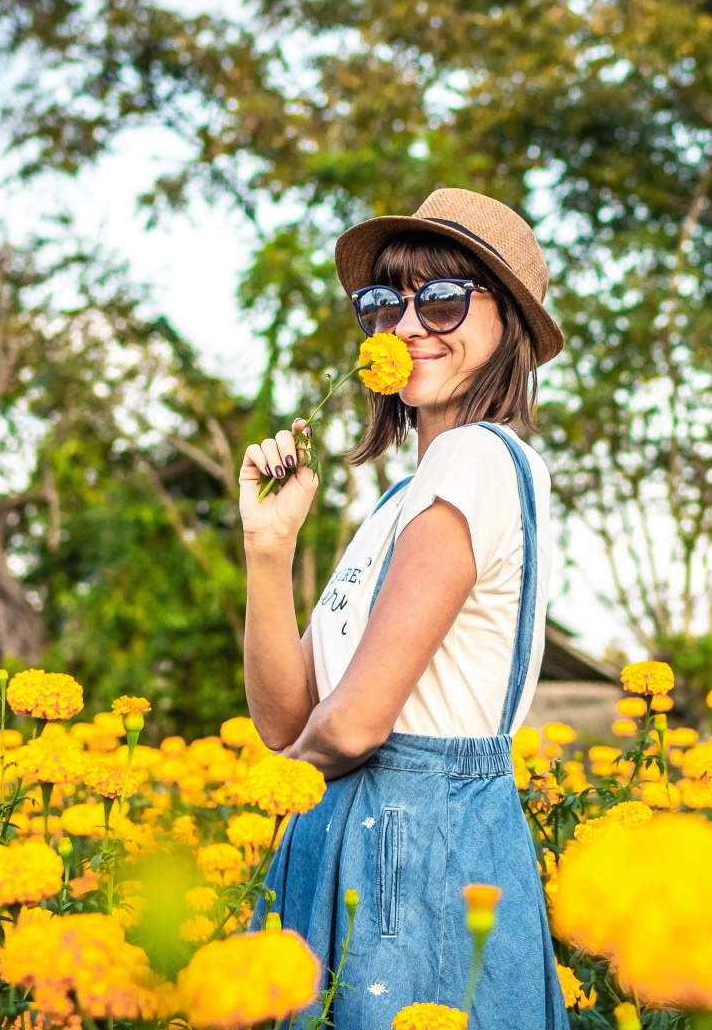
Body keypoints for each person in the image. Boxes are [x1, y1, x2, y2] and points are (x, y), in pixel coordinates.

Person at [238, 188, 570, 1028]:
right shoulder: (397, 502)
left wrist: (278, 792)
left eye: (445, 298)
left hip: (414, 845)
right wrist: (268, 550)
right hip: (350, 824)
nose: (407, 326)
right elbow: (288, 720)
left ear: (512, 330)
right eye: (384, 304)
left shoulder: (476, 458)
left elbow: (347, 730)